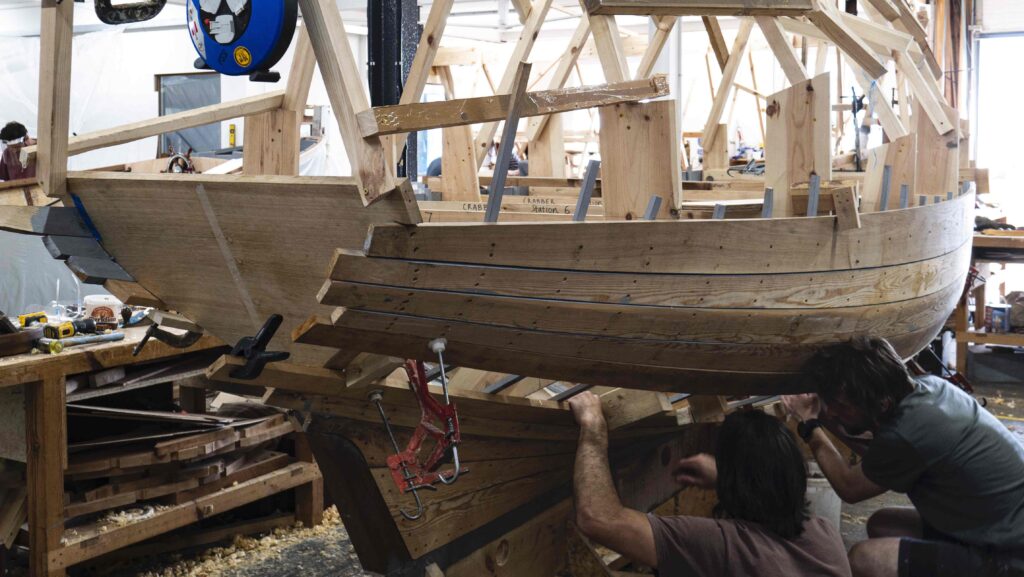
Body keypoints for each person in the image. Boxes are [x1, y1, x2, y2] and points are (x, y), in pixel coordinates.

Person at [783, 336, 1024, 577]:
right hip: (995, 525)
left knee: (864, 558)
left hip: (1009, 553)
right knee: (883, 524)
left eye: (842, 406)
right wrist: (827, 418)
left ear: (882, 403)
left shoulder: (907, 432)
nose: (833, 410)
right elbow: (883, 456)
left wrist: (810, 425)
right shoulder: (929, 388)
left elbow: (849, 487)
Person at [568, 391, 851, 576]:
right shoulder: (824, 533)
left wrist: (593, 429)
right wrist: (726, 478)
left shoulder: (723, 545)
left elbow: (598, 519)